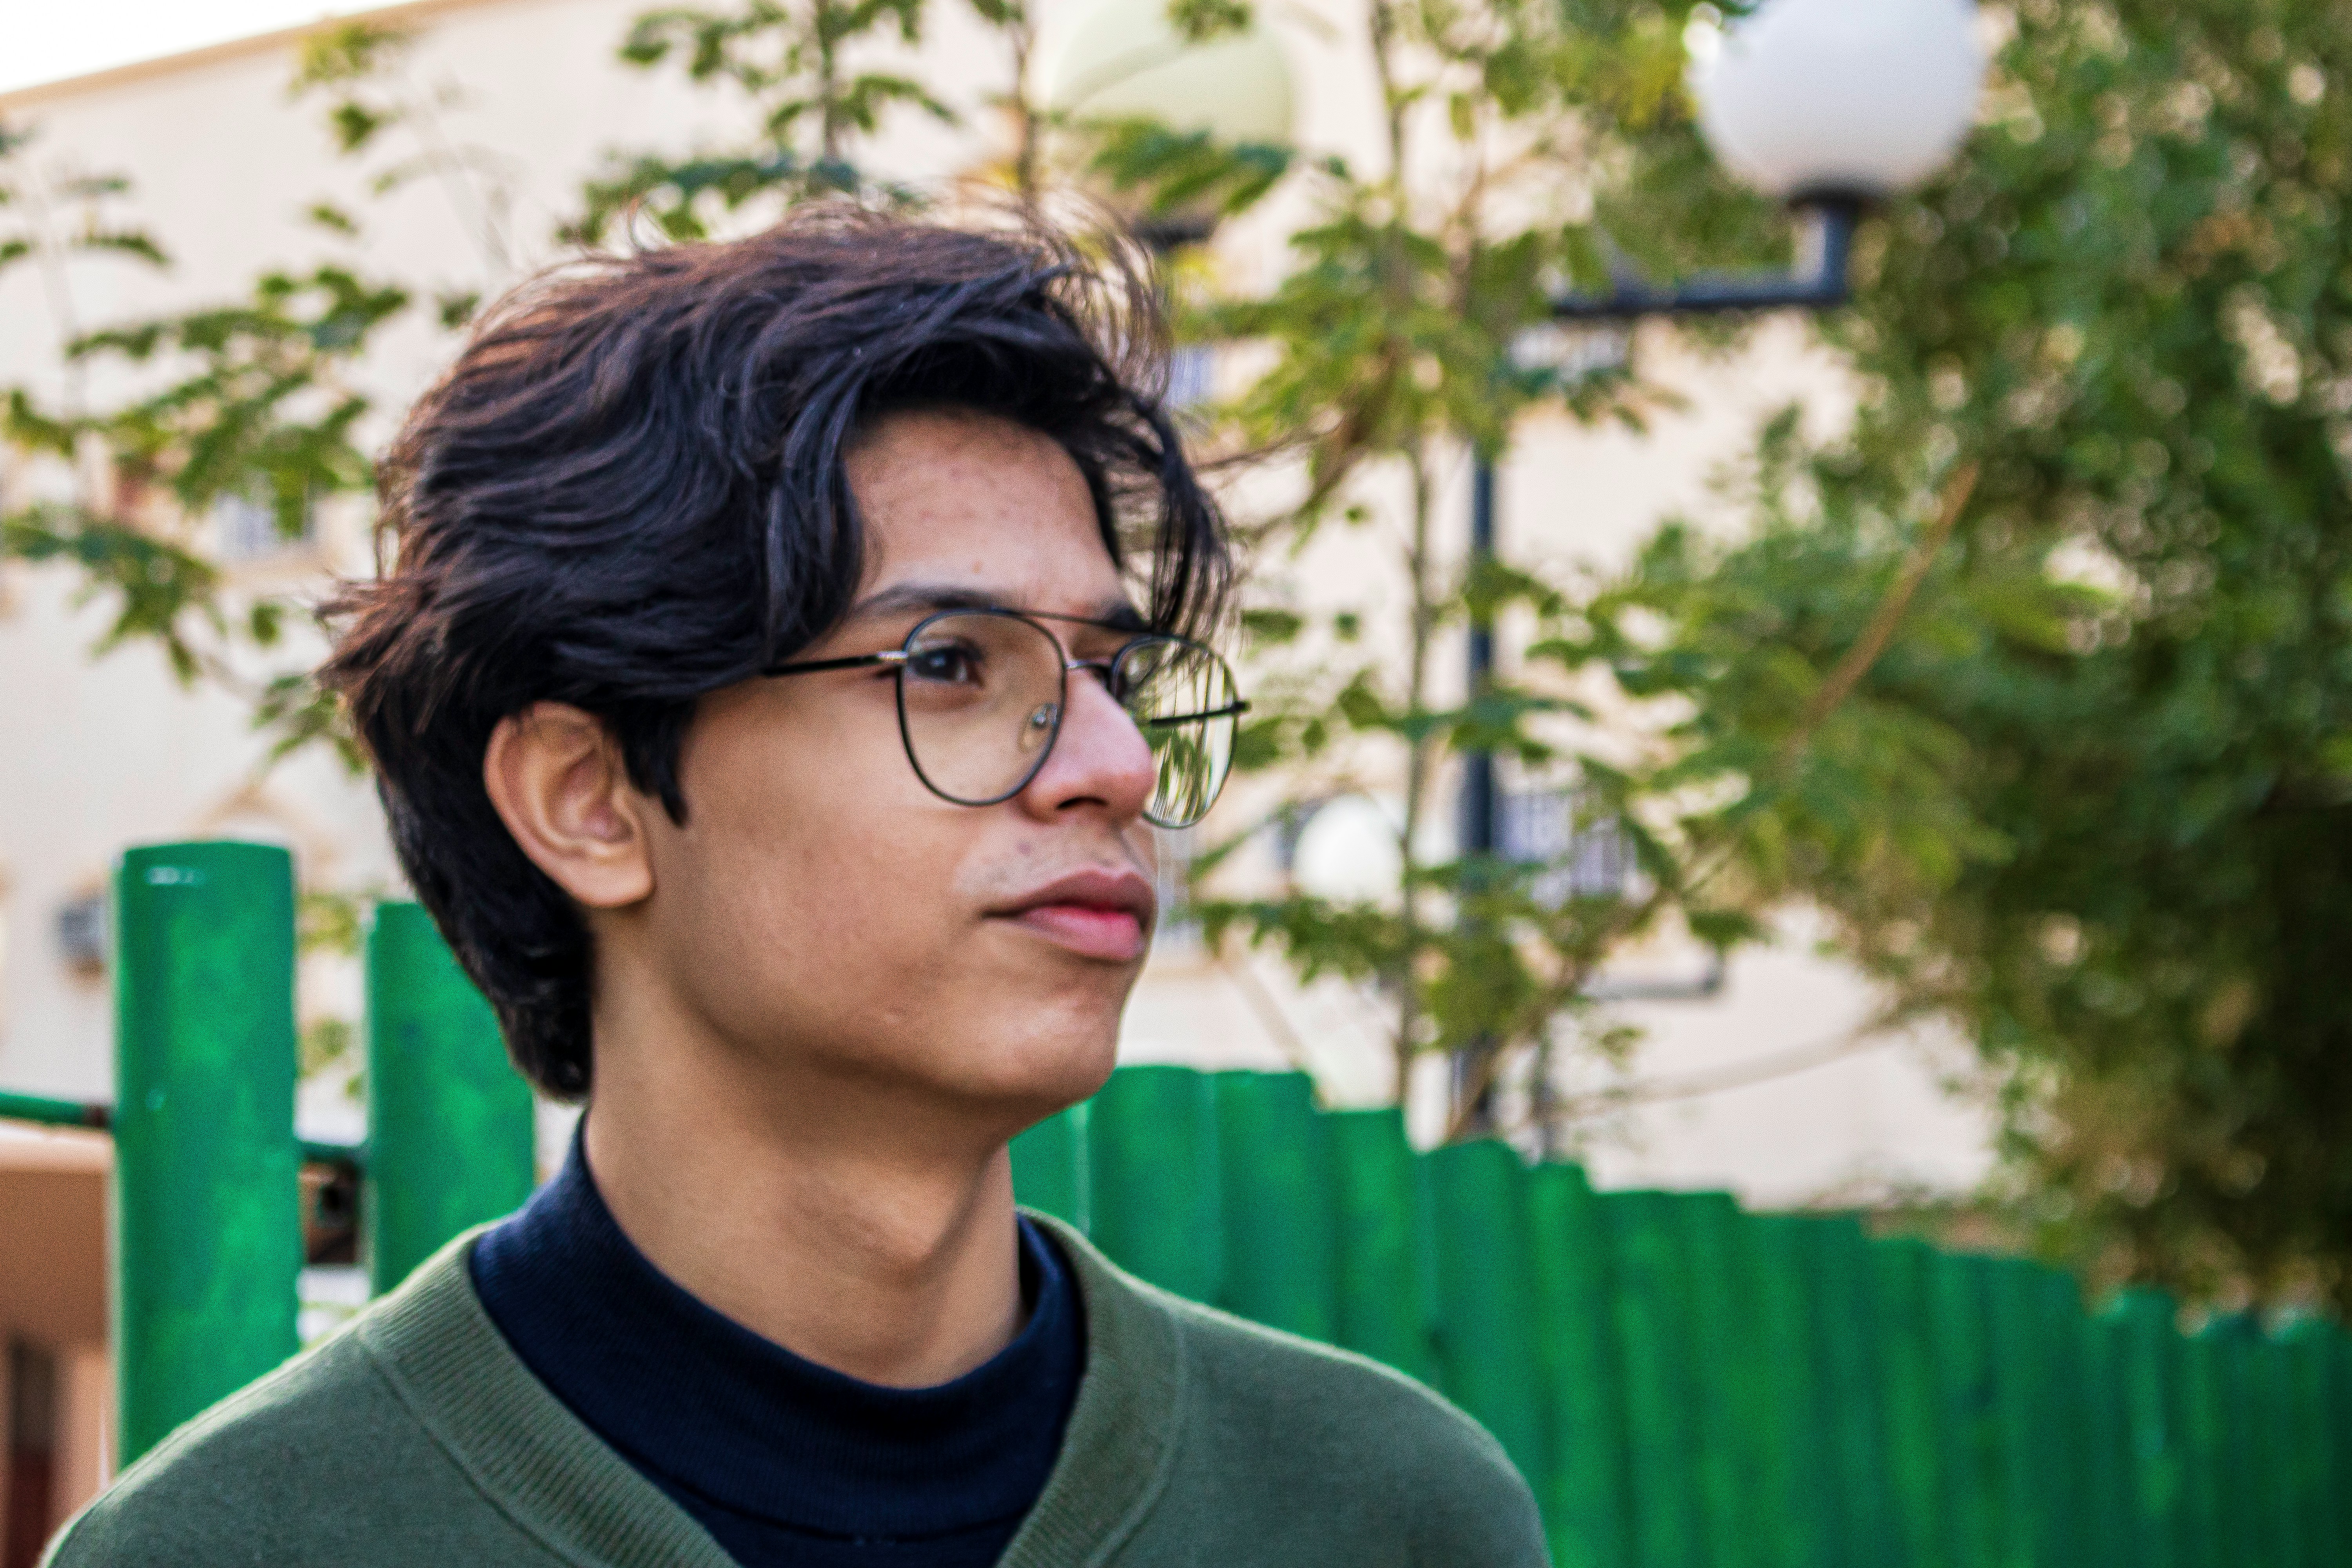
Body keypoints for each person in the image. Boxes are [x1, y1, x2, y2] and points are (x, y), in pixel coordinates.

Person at [44, 208, 1548, 1568]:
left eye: (1113, 676)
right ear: (591, 802)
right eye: (952, 664)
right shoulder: (243, 1547)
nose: (1115, 765)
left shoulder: (1380, 1510)